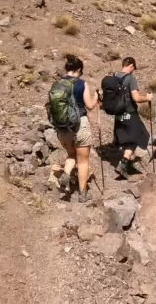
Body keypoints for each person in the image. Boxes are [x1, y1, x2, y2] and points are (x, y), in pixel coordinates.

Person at [52, 55, 99, 203]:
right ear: (79, 69)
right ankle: (82, 194)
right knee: (83, 160)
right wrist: (97, 96)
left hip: (63, 127)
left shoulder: (57, 84)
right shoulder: (81, 84)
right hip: (80, 124)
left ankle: (66, 173)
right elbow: (90, 106)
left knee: (71, 154)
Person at [104, 57, 152, 179]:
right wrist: (147, 97)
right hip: (129, 113)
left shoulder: (114, 77)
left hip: (118, 114)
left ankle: (128, 165)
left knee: (127, 139)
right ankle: (124, 162)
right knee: (141, 135)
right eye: (133, 68)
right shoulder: (129, 78)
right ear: (131, 66)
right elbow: (136, 98)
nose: (133, 71)